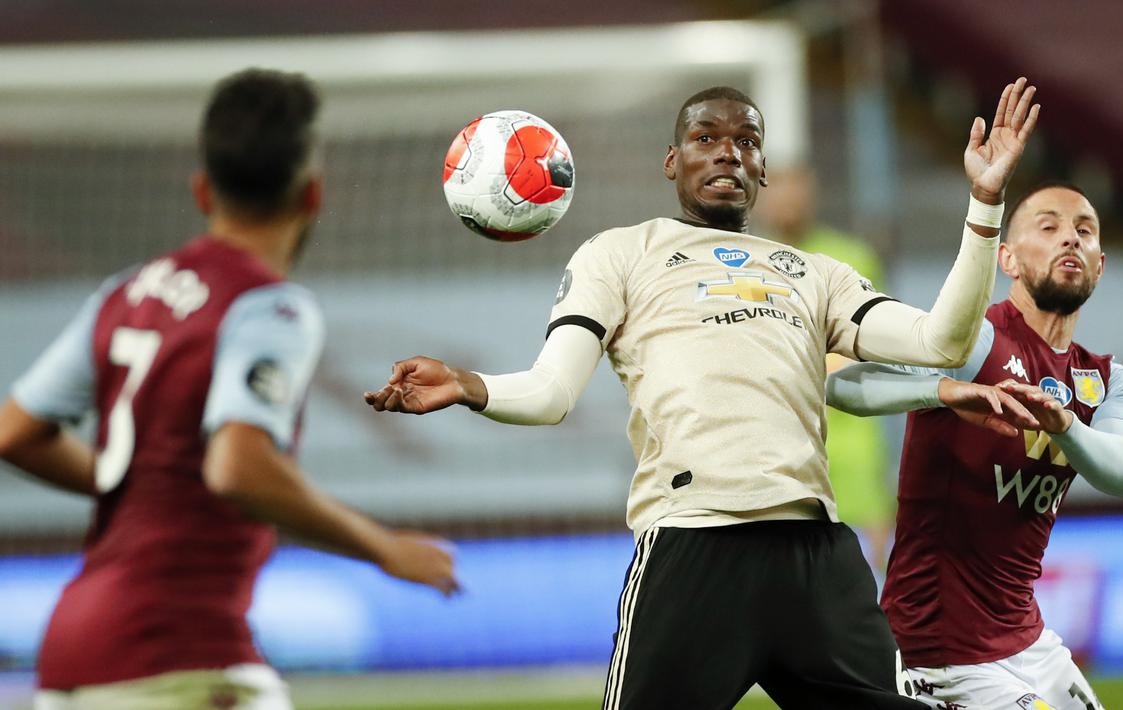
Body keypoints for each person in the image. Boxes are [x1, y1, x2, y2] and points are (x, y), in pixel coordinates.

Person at [366, 78, 1040, 709]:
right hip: (693, 546)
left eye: (746, 140)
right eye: (706, 137)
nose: (728, 151)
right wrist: (466, 384)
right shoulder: (621, 254)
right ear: (671, 161)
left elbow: (941, 341)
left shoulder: (815, 272)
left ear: (762, 170)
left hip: (813, 555)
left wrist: (984, 202)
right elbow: (549, 392)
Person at [0, 68, 459, 710]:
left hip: (73, 652)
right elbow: (239, 466)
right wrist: (384, 549)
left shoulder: (126, 291)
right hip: (177, 652)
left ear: (201, 191)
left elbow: (14, 433)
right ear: (313, 195)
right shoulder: (271, 309)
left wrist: (134, 476)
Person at [826, 182, 1123, 710]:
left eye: (1084, 231)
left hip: (1026, 638)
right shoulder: (973, 341)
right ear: (1008, 260)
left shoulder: (1104, 378)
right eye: (1049, 227)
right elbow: (842, 385)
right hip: (943, 649)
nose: (1070, 239)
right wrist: (945, 391)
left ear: (1100, 265)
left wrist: (1065, 425)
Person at [759, 165, 895, 571]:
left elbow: (867, 343)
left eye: (797, 192)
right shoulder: (745, 262)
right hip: (778, 435)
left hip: (850, 430)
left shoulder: (850, 257)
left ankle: (883, 619)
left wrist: (792, 371)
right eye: (779, 193)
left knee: (871, 550)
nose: (789, 203)